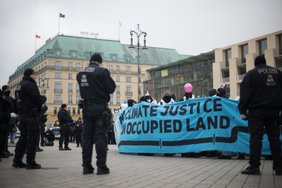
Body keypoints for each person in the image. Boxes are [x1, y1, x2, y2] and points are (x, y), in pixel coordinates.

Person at [238, 55, 282, 175]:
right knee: (274, 138)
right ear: (265, 62)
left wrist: (242, 110)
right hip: (274, 111)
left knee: (256, 138)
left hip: (256, 111)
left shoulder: (251, 74)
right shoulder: (278, 73)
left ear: (255, 64)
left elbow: (245, 94)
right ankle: (279, 167)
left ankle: (254, 166)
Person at [77, 53, 116, 175]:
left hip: (86, 108)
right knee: (100, 136)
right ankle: (101, 166)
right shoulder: (102, 71)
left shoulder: (80, 73)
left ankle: (86, 166)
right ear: (99, 62)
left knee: (87, 137)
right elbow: (111, 88)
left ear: (91, 61)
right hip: (100, 107)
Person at [13, 68, 45, 169]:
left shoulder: (19, 86)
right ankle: (30, 162)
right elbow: (37, 99)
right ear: (31, 75)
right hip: (31, 114)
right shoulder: (31, 84)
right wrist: (43, 99)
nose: (35, 76)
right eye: (34, 75)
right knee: (32, 138)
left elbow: (17, 100)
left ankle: (17, 161)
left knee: (23, 138)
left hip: (22, 115)